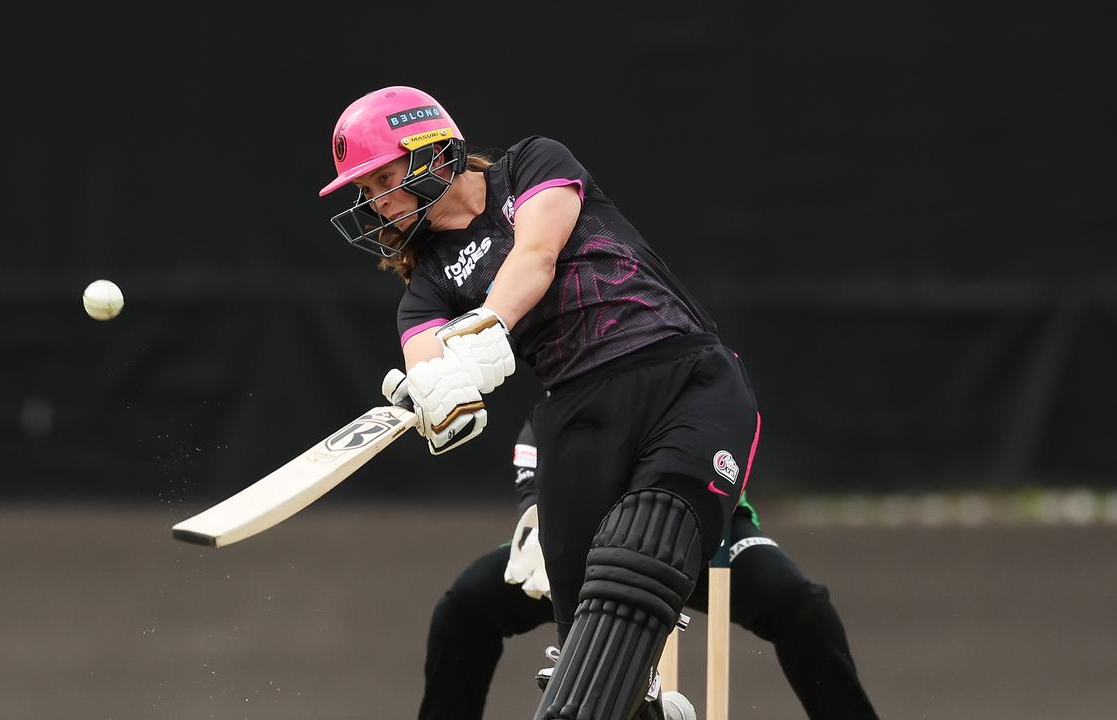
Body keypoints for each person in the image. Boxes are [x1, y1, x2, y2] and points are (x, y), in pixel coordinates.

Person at [320, 85, 763, 720]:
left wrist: (487, 327)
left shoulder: (530, 164)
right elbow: (426, 361)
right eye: (365, 190)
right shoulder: (424, 292)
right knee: (590, 662)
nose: (375, 202)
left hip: (682, 375)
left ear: (431, 153)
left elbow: (537, 254)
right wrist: (435, 397)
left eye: (383, 178)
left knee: (642, 550)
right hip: (578, 418)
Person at [417, 417, 879, 720]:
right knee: (467, 604)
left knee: (802, 605)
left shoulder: (676, 356)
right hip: (590, 541)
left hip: (692, 530)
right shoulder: (566, 376)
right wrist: (539, 520)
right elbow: (537, 447)